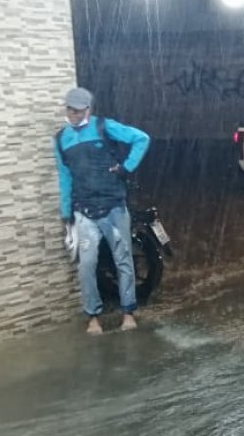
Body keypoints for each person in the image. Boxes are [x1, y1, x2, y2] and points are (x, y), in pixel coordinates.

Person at [55, 87, 151, 334]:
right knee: (86, 264)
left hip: (113, 206)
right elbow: (64, 177)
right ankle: (92, 316)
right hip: (83, 211)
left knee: (123, 259)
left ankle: (128, 312)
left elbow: (141, 138)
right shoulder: (61, 139)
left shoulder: (103, 126)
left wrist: (126, 167)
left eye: (77, 110)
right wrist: (66, 213)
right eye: (70, 109)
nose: (73, 114)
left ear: (88, 109)